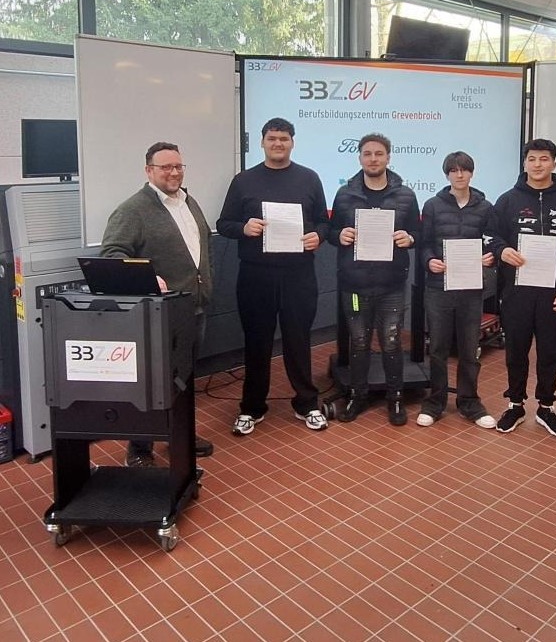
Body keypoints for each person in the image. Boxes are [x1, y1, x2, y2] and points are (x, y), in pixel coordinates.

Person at [100, 142, 214, 467]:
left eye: (178, 166)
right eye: (165, 167)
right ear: (149, 170)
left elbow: (202, 247)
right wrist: (147, 276)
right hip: (158, 314)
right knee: (152, 383)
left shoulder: (189, 202)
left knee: (184, 379)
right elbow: (112, 254)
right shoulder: (132, 210)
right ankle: (139, 449)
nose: (174, 172)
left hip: (192, 308)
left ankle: (179, 434)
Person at [216, 118, 330, 435]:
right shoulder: (243, 181)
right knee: (257, 342)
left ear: (292, 142)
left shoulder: (309, 178)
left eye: (283, 138)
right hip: (256, 275)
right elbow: (224, 223)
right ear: (262, 142)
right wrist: (244, 228)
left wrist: (319, 236)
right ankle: (252, 408)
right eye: (272, 138)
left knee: (298, 340)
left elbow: (324, 222)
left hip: (298, 274)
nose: (278, 143)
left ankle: (307, 404)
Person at [492, 139, 556, 437]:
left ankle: (546, 406)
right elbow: (491, 236)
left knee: (551, 352)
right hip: (517, 291)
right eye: (532, 159)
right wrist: (502, 250)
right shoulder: (507, 200)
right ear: (525, 163)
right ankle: (515, 405)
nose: (537, 165)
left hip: (555, 294)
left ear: (554, 163)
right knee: (516, 349)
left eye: (544, 159)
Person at [327, 133, 420, 426]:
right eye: (367, 154)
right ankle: (357, 396)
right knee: (358, 342)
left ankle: (395, 398)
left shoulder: (406, 195)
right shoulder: (345, 194)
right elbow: (331, 232)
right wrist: (339, 235)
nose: (373, 159)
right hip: (354, 285)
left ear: (388, 157)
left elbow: (418, 233)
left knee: (391, 342)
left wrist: (410, 238)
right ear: (360, 158)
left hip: (391, 283)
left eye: (379, 154)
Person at [417, 151, 500, 429]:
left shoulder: (486, 207)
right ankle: (435, 403)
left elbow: (492, 243)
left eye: (464, 169)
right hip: (438, 287)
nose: (459, 174)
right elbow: (424, 244)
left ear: (471, 173)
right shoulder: (432, 205)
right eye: (453, 170)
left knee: (469, 348)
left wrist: (491, 257)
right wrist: (429, 261)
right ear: (447, 174)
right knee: (438, 348)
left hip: (471, 288)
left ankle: (470, 402)